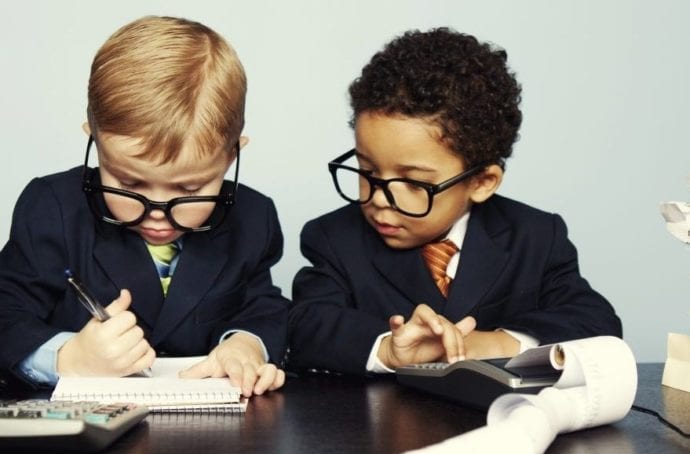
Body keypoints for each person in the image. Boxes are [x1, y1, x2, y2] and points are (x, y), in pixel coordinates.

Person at [287, 28, 622, 376]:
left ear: (481, 182)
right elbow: (306, 325)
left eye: (414, 183)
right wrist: (388, 349)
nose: (381, 200)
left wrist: (496, 343)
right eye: (367, 171)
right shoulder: (334, 237)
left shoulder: (536, 236)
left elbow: (596, 321)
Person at [0, 16, 288, 397]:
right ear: (96, 141)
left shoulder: (254, 218)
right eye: (129, 183)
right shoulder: (51, 207)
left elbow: (263, 307)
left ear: (231, 157)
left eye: (189, 188)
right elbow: (6, 312)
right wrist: (66, 358)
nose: (157, 209)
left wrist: (246, 344)